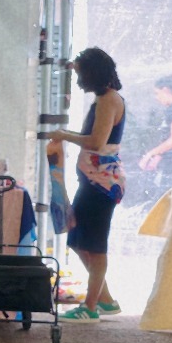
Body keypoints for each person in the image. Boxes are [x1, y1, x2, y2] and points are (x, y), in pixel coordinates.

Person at [51, 46, 126, 321]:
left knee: (95, 245)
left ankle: (91, 306)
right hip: (92, 181)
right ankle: (105, 299)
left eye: (81, 75)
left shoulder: (109, 101)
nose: (79, 81)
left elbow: (96, 142)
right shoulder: (103, 99)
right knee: (77, 238)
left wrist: (64, 135)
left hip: (102, 185)